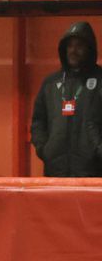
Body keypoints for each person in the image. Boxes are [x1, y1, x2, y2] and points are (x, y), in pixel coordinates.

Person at [31, 21, 102, 176]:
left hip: (92, 170)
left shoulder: (100, 80)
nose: (73, 50)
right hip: (55, 169)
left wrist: (98, 149)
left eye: (79, 46)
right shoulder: (50, 83)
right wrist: (44, 149)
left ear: (89, 49)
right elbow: (38, 121)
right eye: (70, 46)